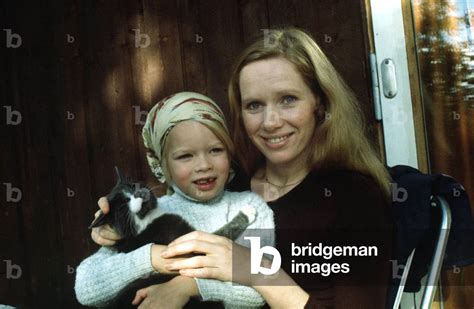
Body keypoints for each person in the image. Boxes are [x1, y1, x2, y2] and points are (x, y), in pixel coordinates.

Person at [89, 27, 393, 308]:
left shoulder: (353, 198)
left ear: (320, 104)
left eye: (288, 99)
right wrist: (119, 224)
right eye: (254, 106)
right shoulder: (229, 184)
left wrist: (256, 270)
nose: (271, 122)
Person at [74, 92, 275, 308]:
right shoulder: (147, 213)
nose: (204, 165)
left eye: (216, 150)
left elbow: (260, 289)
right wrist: (150, 258)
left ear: (229, 153)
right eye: (185, 156)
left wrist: (188, 288)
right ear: (163, 165)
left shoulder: (250, 208)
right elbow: (87, 289)